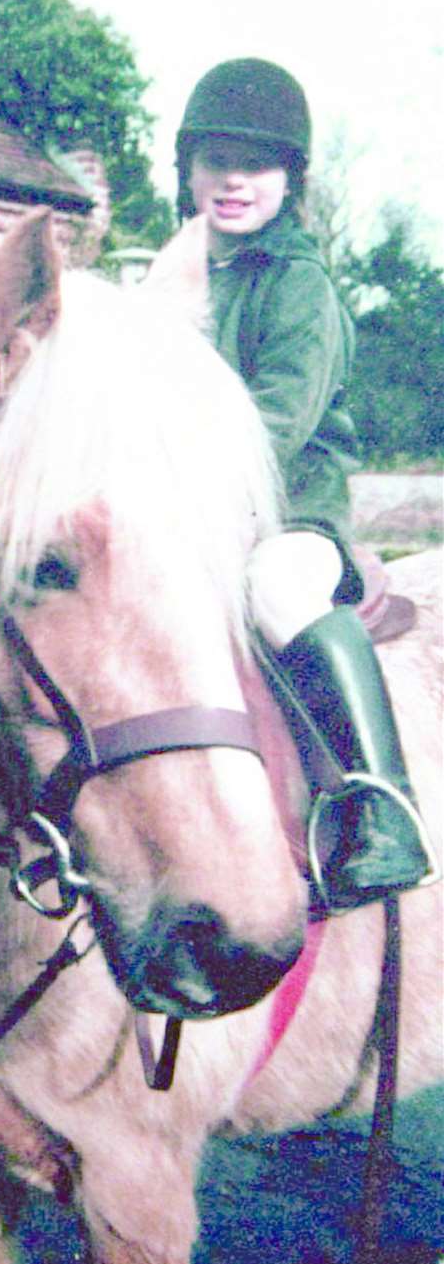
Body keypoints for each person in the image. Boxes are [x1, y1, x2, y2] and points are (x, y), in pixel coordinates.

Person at [147, 56, 432, 909]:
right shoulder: (169, 277)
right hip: (186, 514)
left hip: (289, 514)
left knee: (274, 590)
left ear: (288, 180)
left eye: (257, 164)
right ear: (188, 172)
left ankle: (383, 808)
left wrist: (181, 483)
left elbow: (278, 421)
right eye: (216, 161)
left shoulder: (299, 283)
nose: (234, 180)